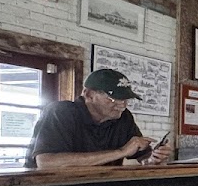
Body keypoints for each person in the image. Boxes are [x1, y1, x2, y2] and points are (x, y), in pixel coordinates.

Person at [25, 69, 173, 168]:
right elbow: (46, 163)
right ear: (89, 94)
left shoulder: (123, 117)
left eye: (125, 99)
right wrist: (121, 152)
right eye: (114, 99)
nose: (122, 105)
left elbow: (144, 158)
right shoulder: (61, 112)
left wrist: (155, 159)